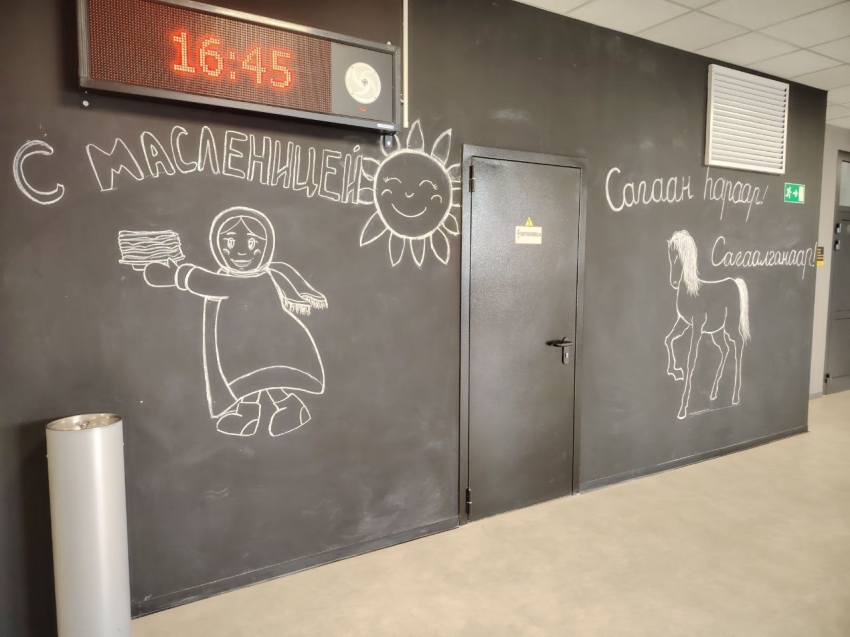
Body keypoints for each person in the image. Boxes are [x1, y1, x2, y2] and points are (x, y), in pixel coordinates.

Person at [143, 207, 327, 437]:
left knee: (264, 379)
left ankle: (289, 408)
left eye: (251, 243)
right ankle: (248, 412)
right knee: (254, 381)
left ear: (266, 246)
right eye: (230, 242)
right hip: (244, 348)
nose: (240, 251)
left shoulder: (251, 279)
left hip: (266, 347)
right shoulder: (235, 274)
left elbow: (209, 283)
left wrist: (173, 275)